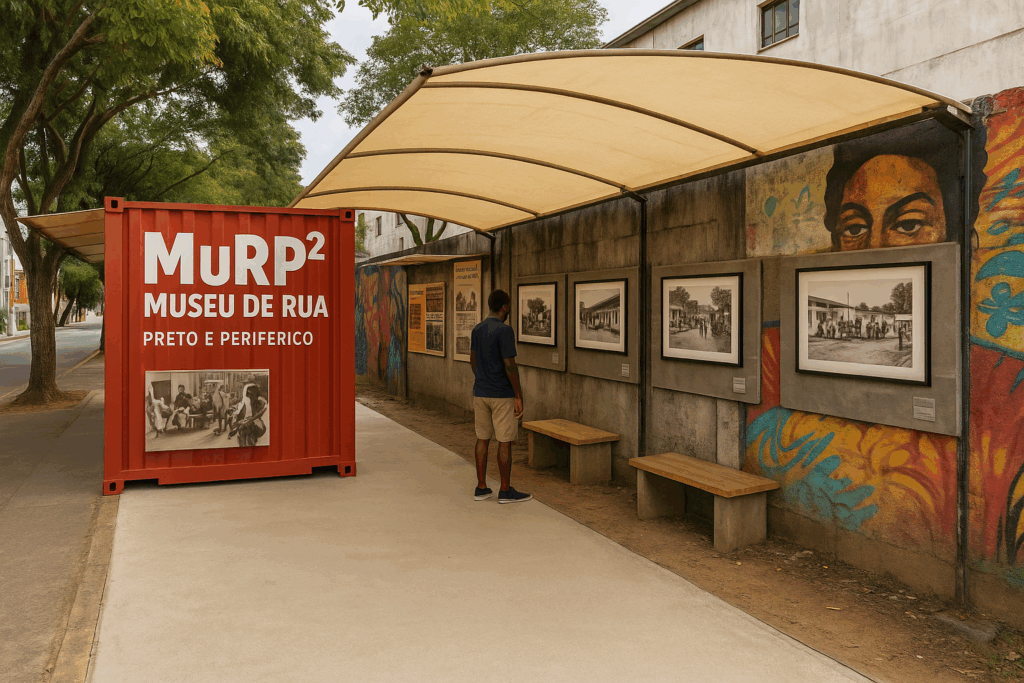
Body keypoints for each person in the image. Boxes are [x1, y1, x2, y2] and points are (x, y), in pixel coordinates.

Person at [469, 289, 530, 504]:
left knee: (482, 438)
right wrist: (518, 395)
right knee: (504, 440)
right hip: (502, 394)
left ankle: (481, 487)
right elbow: (510, 365)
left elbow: (472, 359)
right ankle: (505, 490)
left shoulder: (477, 329)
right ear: (504, 307)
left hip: (480, 392)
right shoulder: (505, 330)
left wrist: (481, 377)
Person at [230, 383, 268, 447]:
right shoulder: (241, 404)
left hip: (252, 429)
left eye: (252, 394)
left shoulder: (259, 403)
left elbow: (262, 410)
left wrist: (252, 419)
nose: (250, 396)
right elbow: (236, 418)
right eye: (249, 394)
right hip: (243, 430)